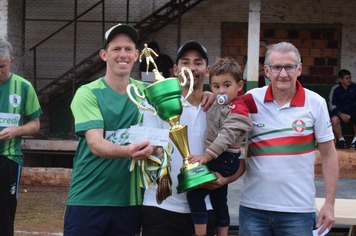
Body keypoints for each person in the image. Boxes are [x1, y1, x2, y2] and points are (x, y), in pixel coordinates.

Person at [63, 24, 160, 236]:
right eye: (116, 49)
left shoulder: (147, 93)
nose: (122, 55)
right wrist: (129, 151)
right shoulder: (88, 93)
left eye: (128, 49)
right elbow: (96, 144)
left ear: (136, 55)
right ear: (104, 55)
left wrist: (205, 96)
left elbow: (179, 109)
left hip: (130, 201)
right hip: (88, 198)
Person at [239, 42, 339, 236]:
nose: (283, 74)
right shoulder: (251, 100)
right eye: (276, 67)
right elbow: (223, 106)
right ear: (266, 70)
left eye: (289, 67)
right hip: (253, 209)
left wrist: (329, 203)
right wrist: (210, 95)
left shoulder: (315, 103)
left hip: (298, 211)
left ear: (299, 69)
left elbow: (328, 155)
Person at [141, 40, 239, 236]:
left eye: (198, 63)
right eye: (185, 62)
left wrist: (224, 180)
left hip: (205, 208)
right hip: (161, 207)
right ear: (176, 69)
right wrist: (151, 151)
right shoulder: (156, 106)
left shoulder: (219, 109)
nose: (192, 68)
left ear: (208, 70)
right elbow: (148, 150)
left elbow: (239, 159)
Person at [187, 58, 257, 236]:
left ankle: (200, 234)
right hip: (220, 158)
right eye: (216, 86)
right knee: (218, 199)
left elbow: (224, 137)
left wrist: (205, 157)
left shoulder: (238, 110)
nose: (221, 91)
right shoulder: (222, 103)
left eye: (227, 85)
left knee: (194, 194)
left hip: (223, 159)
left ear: (239, 85)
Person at [0, 39, 42, 236]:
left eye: (2, 66)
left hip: (9, 159)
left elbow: (35, 124)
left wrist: (16, 131)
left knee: (5, 213)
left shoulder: (23, 87)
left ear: (12, 62)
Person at [328, 69, 356, 149]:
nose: (349, 80)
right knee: (334, 120)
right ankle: (341, 141)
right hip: (339, 111)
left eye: (350, 78)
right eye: (347, 78)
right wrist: (340, 113)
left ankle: (354, 142)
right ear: (341, 80)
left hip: (352, 110)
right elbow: (331, 104)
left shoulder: (354, 87)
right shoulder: (335, 89)